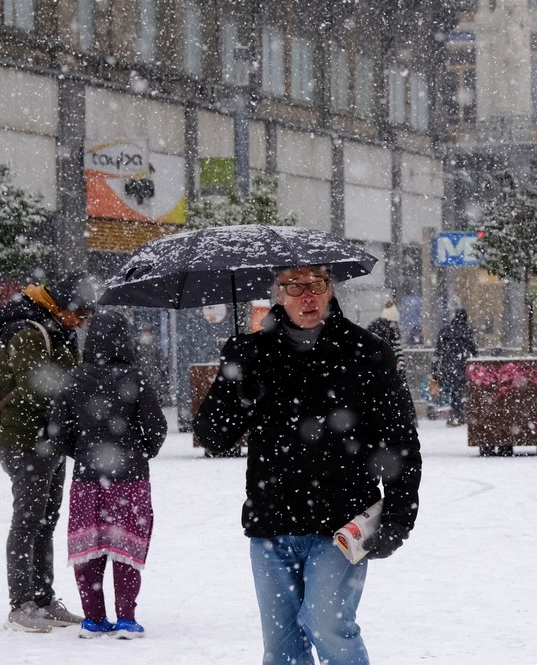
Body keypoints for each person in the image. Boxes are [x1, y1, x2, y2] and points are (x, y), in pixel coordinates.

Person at [195, 266, 421, 665]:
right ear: (278, 295)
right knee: (281, 647)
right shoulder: (252, 353)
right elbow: (214, 437)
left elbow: (399, 441)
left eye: (316, 284)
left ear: (330, 289)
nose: (307, 295)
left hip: (340, 523)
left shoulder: (366, 352)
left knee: (326, 624)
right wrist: (234, 378)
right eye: (294, 286)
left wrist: (399, 516)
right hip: (271, 522)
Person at [47, 311, 167, 639]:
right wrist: (139, 452)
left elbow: (57, 431)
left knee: (90, 546)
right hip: (131, 479)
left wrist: (83, 452)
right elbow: (157, 428)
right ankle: (126, 619)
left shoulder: (73, 378)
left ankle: (93, 619)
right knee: (126, 545)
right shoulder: (135, 377)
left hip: (87, 479)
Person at [0, 272, 97, 633]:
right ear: (61, 306)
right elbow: (37, 385)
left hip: (49, 440)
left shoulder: (58, 329)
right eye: (80, 314)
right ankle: (20, 604)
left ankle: (43, 596)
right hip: (24, 441)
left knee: (46, 521)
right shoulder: (28, 331)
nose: (82, 321)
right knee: (27, 521)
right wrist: (78, 388)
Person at [434, 309, 477, 426]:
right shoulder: (466, 331)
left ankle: (454, 415)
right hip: (460, 365)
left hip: (446, 366)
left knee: (451, 391)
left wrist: (434, 368)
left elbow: (438, 351)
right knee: (457, 391)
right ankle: (457, 415)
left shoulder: (445, 331)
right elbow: (473, 349)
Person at [366, 299, 404, 369]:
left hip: (379, 365)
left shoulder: (376, 327)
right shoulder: (389, 330)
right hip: (385, 365)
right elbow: (396, 349)